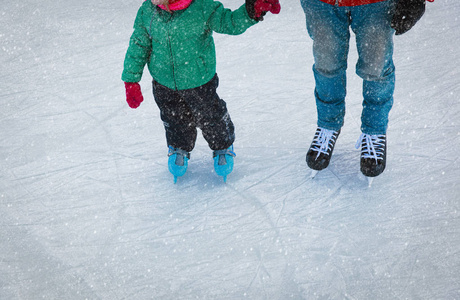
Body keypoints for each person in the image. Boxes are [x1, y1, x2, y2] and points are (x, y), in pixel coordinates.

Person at [122, 0, 280, 183]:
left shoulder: (201, 7)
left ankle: (222, 146)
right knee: (173, 119)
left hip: (199, 80)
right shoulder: (148, 11)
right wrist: (131, 79)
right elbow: (138, 44)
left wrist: (251, 11)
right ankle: (178, 147)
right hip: (163, 82)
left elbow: (229, 22)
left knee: (210, 116)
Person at [300, 0, 432, 182]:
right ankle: (328, 125)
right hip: (321, 3)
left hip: (374, 3)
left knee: (376, 68)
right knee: (327, 65)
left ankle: (374, 130)